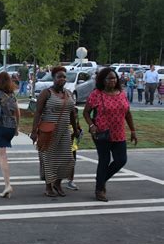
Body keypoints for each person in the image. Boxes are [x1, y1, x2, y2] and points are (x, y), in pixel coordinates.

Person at [83, 67, 137, 202]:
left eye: (114, 78)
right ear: (103, 80)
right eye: (109, 78)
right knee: (104, 160)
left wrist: (133, 131)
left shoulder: (122, 93)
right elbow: (86, 112)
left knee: (121, 160)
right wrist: (91, 125)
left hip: (119, 133)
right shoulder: (96, 94)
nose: (112, 80)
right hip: (101, 133)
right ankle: (99, 189)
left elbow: (128, 113)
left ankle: (100, 180)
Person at [30, 66, 79, 197]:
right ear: (54, 78)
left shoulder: (68, 93)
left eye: (64, 77)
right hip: (48, 131)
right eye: (59, 77)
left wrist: (75, 128)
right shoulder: (46, 93)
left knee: (66, 158)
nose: (62, 79)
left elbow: (72, 113)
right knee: (48, 159)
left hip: (64, 131)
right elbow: (38, 113)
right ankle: (48, 186)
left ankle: (57, 183)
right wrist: (34, 131)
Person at [67, 107, 82, 191]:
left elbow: (78, 130)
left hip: (73, 146)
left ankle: (70, 181)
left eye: (76, 114)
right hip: (64, 146)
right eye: (73, 114)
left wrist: (79, 131)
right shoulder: (65, 123)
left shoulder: (76, 122)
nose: (75, 115)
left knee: (72, 162)